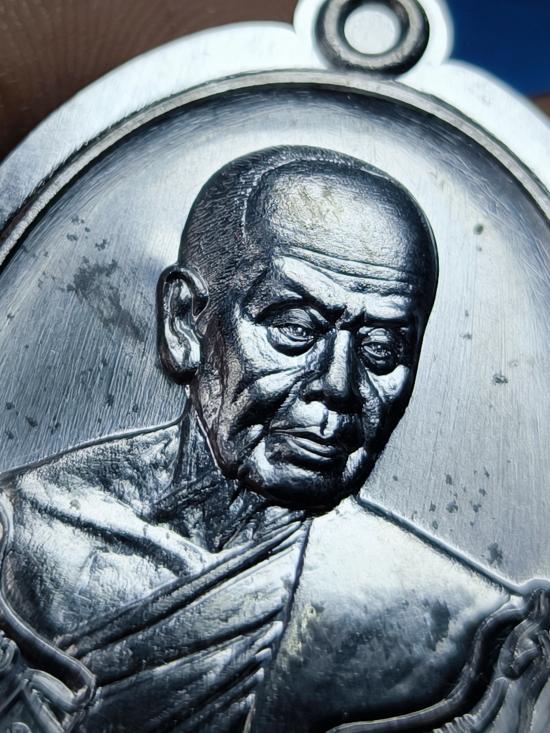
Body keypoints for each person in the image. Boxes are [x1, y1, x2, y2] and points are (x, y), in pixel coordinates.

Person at [0, 146, 548, 733]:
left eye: (382, 349)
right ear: (185, 322)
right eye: (294, 328)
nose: (339, 386)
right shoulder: (21, 533)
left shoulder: (459, 630)